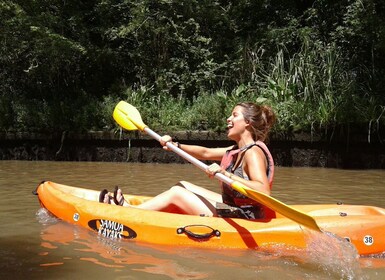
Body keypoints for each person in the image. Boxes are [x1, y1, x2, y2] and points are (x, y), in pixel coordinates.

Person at [101, 102, 276, 219]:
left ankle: (129, 213)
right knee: (182, 185)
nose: (228, 119)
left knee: (177, 194)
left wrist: (225, 174)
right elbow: (205, 152)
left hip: (246, 216)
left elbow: (263, 191)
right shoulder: (237, 150)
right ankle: (141, 207)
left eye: (234, 115)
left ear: (247, 122)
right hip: (235, 206)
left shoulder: (253, 152)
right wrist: (174, 145)